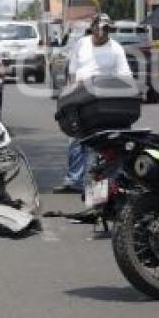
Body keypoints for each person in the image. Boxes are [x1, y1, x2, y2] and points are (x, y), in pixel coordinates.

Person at [54, 14, 132, 194]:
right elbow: (72, 73)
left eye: (106, 29)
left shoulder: (116, 48)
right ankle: (74, 181)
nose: (101, 32)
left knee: (104, 142)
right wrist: (69, 97)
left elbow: (125, 76)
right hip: (81, 99)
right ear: (93, 27)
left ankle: (104, 184)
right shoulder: (82, 44)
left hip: (104, 101)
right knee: (76, 139)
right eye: (98, 27)